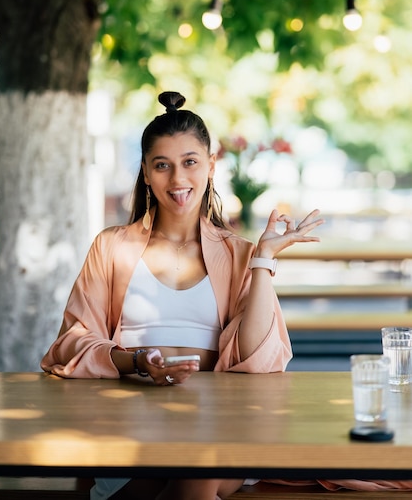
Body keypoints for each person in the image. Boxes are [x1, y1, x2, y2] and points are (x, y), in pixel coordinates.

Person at [41, 91, 324, 500]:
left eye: (190, 162)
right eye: (162, 165)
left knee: (199, 472)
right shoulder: (111, 247)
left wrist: (262, 258)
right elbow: (71, 343)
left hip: (219, 423)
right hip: (130, 423)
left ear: (210, 166)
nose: (177, 179)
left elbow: (257, 359)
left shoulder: (239, 252)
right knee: (183, 481)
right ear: (145, 172)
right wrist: (137, 361)